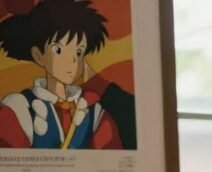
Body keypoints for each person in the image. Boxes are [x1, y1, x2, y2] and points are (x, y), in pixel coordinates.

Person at [0, 0, 128, 148]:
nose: (72, 61)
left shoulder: (94, 113)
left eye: (79, 52)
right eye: (59, 50)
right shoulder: (19, 109)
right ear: (38, 55)